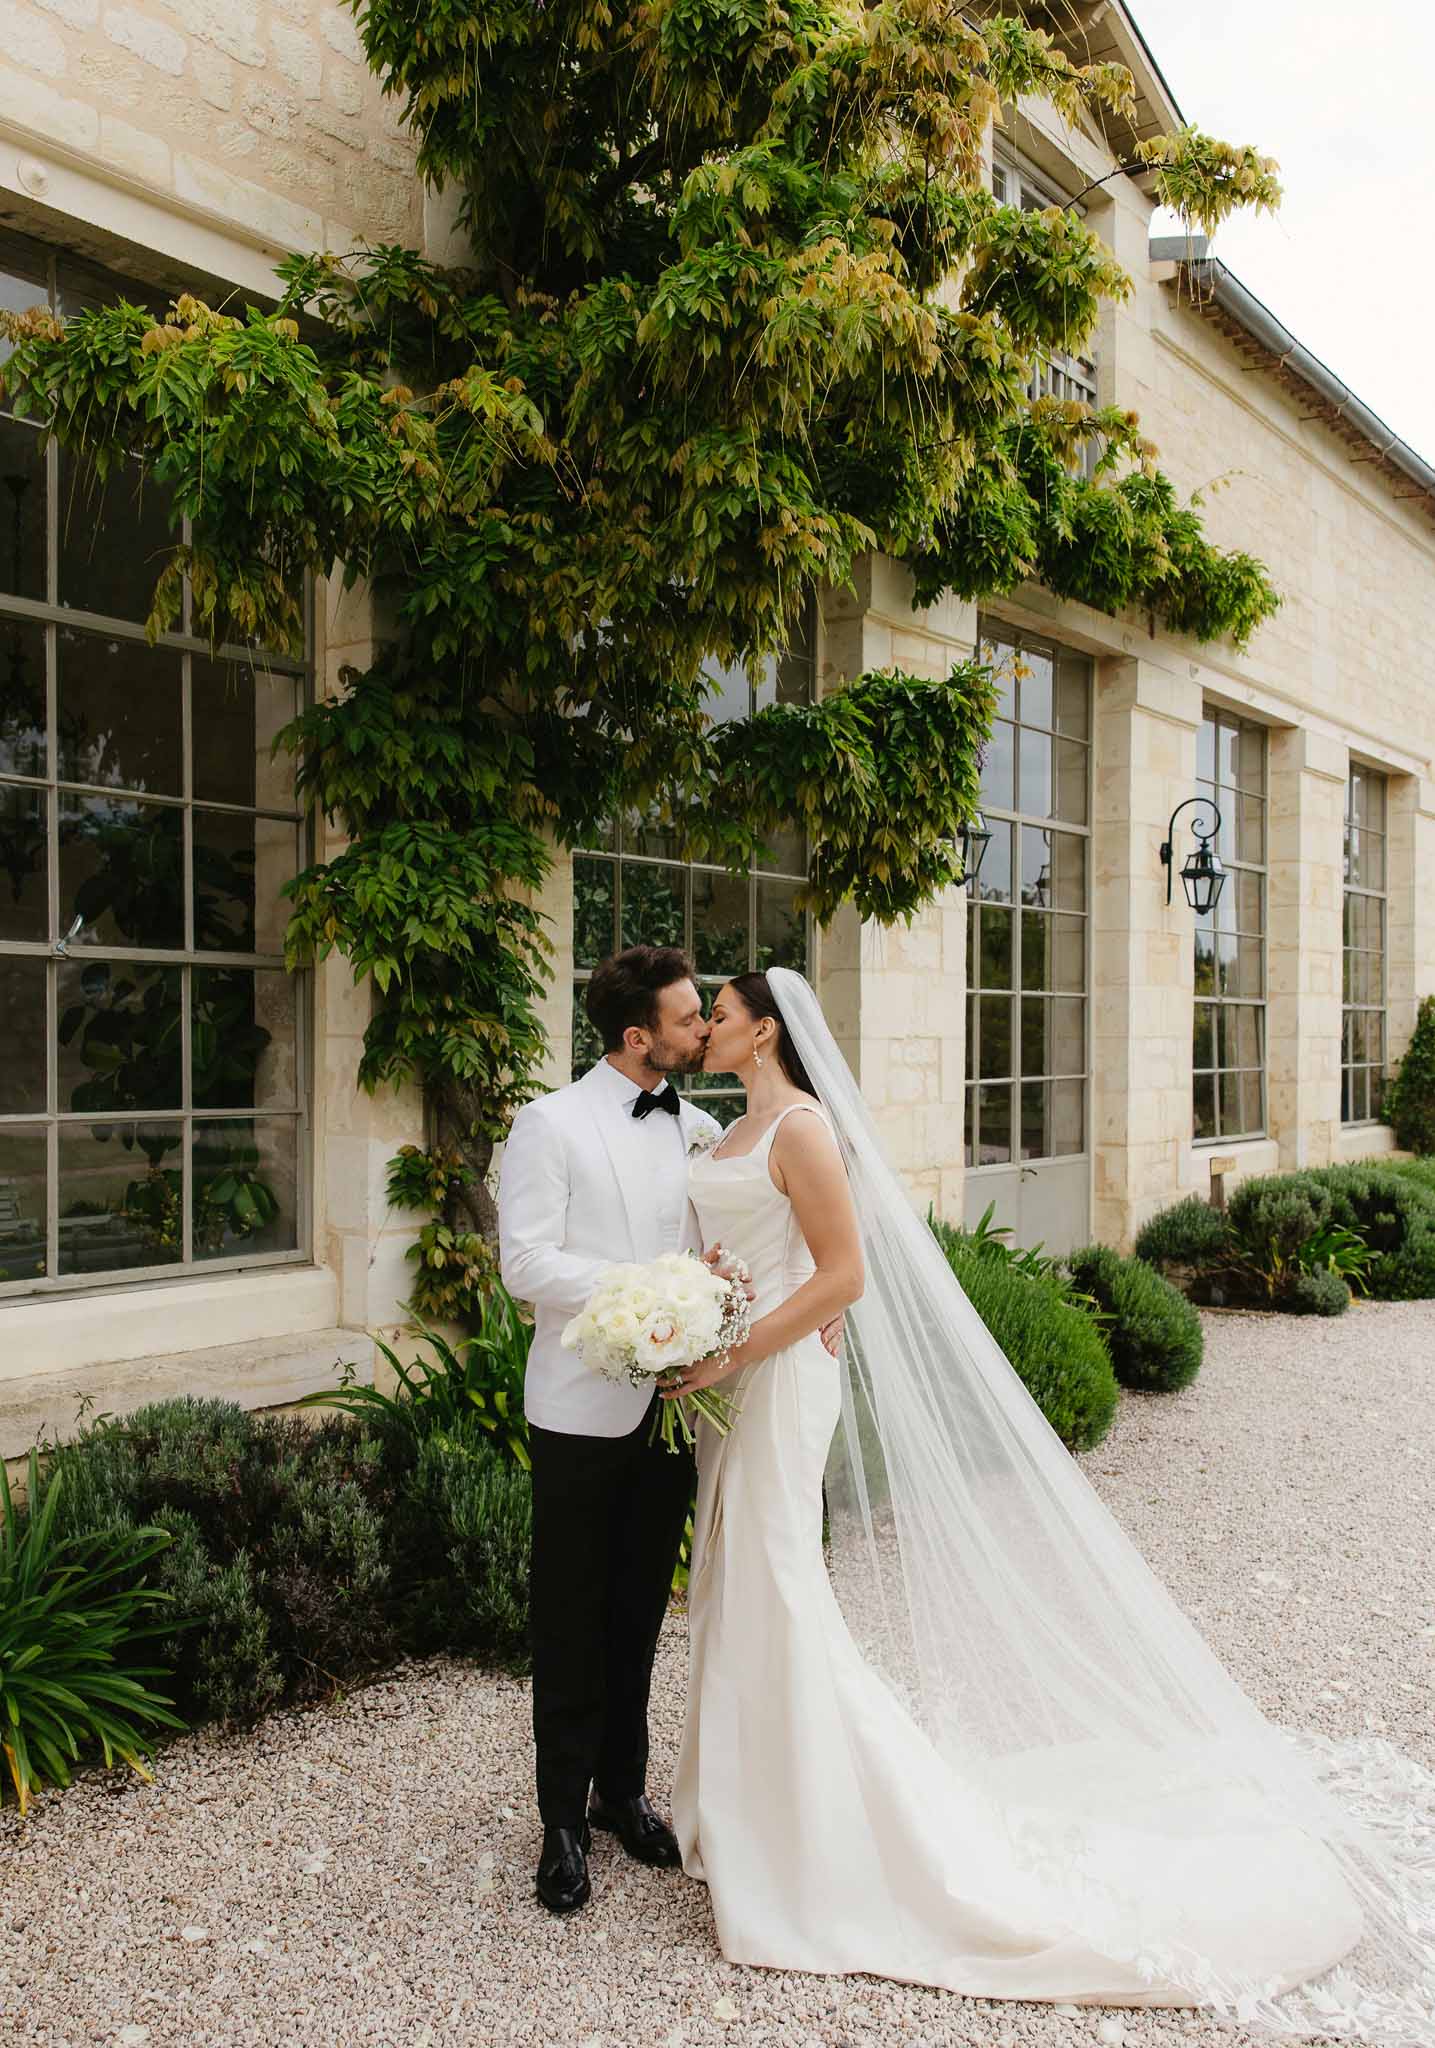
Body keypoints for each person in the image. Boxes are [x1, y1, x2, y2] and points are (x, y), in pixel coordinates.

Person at [662, 967, 1434, 2039]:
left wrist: (735, 1345)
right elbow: (761, 1254)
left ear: (764, 1032)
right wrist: (700, 1309)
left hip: (777, 1379)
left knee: (777, 1577)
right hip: (728, 1377)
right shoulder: (731, 1126)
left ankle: (822, 1829)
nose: (705, 1028)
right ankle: (745, 1803)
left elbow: (843, 1275)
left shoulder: (800, 1125)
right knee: (733, 1577)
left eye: (722, 1014)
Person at [497, 945, 836, 1916]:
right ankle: (559, 1816)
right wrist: (639, 1295)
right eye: (690, 1017)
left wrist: (813, 1295)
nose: (703, 1027)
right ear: (637, 1034)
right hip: (577, 1407)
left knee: (643, 1606)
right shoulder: (548, 1123)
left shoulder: (702, 1128)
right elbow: (525, 1261)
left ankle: (622, 1792)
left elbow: (749, 1241)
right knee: (569, 1612)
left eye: (708, 1014)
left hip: (676, 1412)